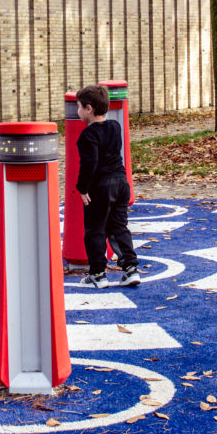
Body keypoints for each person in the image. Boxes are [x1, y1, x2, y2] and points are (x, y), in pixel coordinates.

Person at [74, 84, 139, 289]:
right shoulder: (115, 127)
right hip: (121, 183)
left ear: (88, 109)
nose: (78, 111)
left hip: (100, 187)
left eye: (79, 106)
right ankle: (130, 268)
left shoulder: (87, 136)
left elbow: (89, 164)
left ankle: (97, 274)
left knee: (95, 229)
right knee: (119, 226)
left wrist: (82, 188)